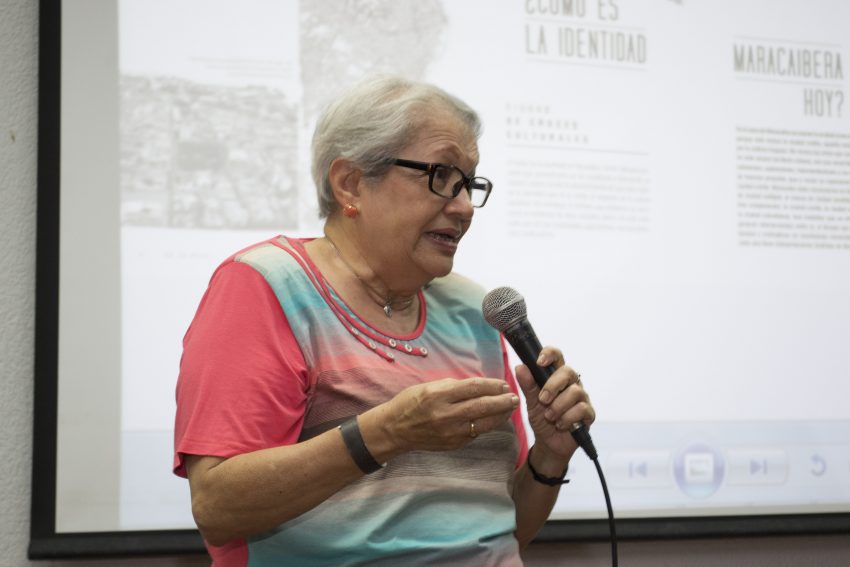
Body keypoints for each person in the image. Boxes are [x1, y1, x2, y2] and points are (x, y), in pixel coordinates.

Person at [173, 75, 595, 566]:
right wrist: (385, 433)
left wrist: (549, 455)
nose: (462, 207)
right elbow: (218, 506)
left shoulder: (474, 312)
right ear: (350, 183)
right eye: (440, 176)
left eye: (469, 184)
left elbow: (502, 530)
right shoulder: (267, 286)